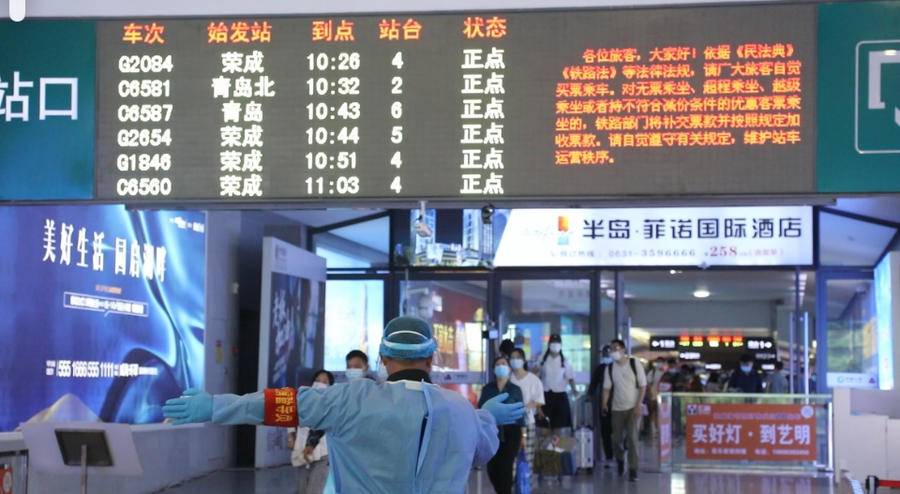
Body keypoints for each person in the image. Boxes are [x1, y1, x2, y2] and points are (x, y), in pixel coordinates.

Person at [162, 316, 525, 494]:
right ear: (431, 359)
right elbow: (483, 452)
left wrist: (216, 406)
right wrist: (485, 418)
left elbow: (278, 405)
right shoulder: (460, 410)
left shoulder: (349, 399)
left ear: (382, 358)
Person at [601, 339, 647, 482]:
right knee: (615, 440)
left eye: (615, 348)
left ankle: (633, 470)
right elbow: (606, 388)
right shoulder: (610, 368)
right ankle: (620, 460)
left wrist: (639, 404)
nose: (613, 351)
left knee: (632, 439)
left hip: (633, 407)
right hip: (617, 408)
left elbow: (643, 386)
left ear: (623, 349)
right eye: (611, 349)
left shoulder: (634, 364)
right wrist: (604, 403)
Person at [478, 357, 525, 494]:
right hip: (492, 431)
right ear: (494, 369)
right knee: (492, 469)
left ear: (509, 368)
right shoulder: (487, 389)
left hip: (511, 433)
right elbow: (481, 408)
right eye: (498, 364)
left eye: (503, 364)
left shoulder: (515, 389)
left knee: (506, 468)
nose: (501, 366)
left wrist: (523, 436)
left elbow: (521, 413)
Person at [289, 370, 333, 494]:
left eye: (324, 381)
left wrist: (311, 444)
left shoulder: (331, 403)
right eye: (317, 380)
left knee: (314, 490)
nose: (320, 383)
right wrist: (291, 435)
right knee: (301, 489)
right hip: (301, 451)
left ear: (330, 385)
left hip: (322, 453)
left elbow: (323, 426)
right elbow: (292, 417)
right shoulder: (303, 399)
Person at [509, 347, 544, 477]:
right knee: (511, 456)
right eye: (512, 358)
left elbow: (539, 400)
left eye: (517, 358)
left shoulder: (533, 380)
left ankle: (525, 482)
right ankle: (512, 482)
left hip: (528, 421)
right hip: (511, 423)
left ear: (523, 360)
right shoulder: (508, 379)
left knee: (527, 456)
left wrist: (527, 407)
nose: (515, 360)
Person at [539, 334, 577, 436]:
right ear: (549, 344)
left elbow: (570, 378)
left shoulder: (565, 361)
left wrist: (574, 390)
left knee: (559, 429)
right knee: (544, 429)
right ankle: (546, 447)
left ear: (560, 345)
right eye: (553, 343)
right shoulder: (542, 359)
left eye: (557, 343)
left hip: (560, 396)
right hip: (545, 395)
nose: (555, 345)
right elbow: (537, 376)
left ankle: (556, 446)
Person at [587, 345, 615, 468]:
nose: (606, 356)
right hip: (604, 405)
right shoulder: (600, 369)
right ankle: (609, 457)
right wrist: (589, 396)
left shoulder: (618, 368)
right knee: (605, 432)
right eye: (605, 354)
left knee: (617, 432)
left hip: (618, 405)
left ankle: (619, 455)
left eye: (609, 354)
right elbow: (593, 385)